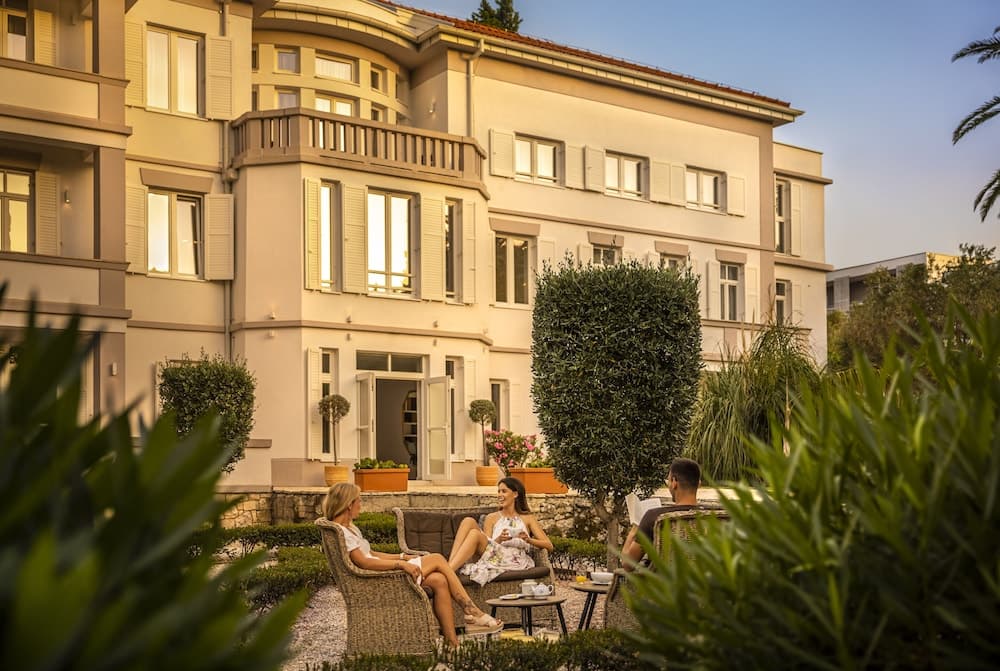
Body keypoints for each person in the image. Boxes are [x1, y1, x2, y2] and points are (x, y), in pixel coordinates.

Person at [323, 482, 502, 647]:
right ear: (349, 504)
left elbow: (371, 554)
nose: (360, 505)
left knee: (439, 580)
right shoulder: (342, 532)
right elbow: (363, 562)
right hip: (380, 579)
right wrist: (401, 565)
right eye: (359, 501)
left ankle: (452, 643)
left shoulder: (349, 529)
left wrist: (402, 556)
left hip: (382, 573)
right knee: (437, 559)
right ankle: (472, 611)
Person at [447, 476, 554, 585]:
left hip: (513, 560)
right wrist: (499, 539)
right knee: (468, 521)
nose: (499, 495)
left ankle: (447, 571)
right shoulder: (491, 517)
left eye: (504, 491)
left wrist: (528, 540)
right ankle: (449, 568)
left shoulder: (527, 518)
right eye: (498, 491)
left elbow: (549, 545)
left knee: (474, 534)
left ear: (515, 494)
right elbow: (487, 546)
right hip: (494, 556)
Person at [621, 458, 701, 569]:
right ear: (699, 484)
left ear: (674, 482)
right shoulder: (714, 518)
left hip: (664, 580)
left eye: (668, 480)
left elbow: (627, 564)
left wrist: (635, 529)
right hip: (703, 580)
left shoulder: (655, 517)